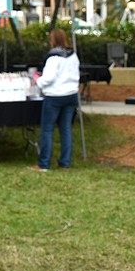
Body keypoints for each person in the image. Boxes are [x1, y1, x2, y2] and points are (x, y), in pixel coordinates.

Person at [32, 28, 80, 171]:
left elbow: (49, 78)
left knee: (47, 130)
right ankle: (64, 163)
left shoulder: (54, 57)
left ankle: (44, 164)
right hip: (71, 94)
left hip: (55, 96)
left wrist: (38, 80)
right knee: (66, 129)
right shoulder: (73, 55)